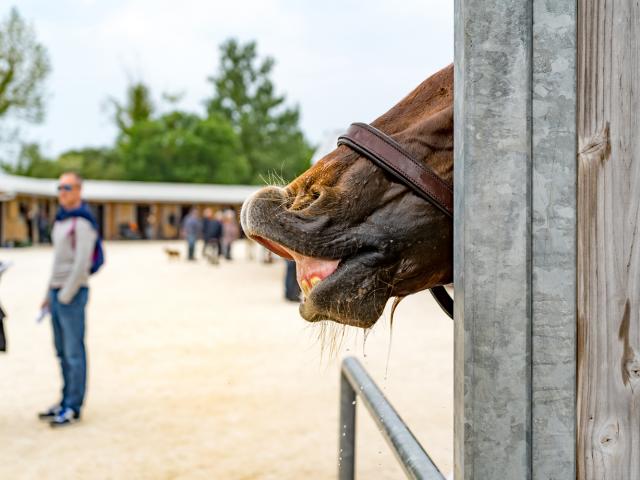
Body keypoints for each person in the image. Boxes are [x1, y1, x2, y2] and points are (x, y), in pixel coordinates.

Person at [39, 172, 104, 427]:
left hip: (71, 293)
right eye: (59, 187)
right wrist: (48, 294)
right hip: (56, 292)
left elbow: (81, 264)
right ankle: (64, 398)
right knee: (61, 351)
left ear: (79, 190)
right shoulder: (60, 221)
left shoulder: (83, 223)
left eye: (67, 187)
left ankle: (73, 405)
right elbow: (57, 261)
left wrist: (66, 294)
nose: (62, 192)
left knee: (74, 351)